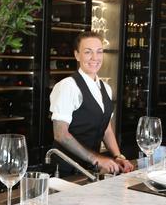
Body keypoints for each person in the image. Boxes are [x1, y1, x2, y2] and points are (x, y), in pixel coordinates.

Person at [49, 31, 134, 175]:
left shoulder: (105, 88)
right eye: (88, 52)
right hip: (66, 170)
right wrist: (97, 159)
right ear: (77, 55)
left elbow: (106, 128)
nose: (95, 58)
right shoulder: (67, 86)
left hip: (89, 170)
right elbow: (60, 135)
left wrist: (118, 156)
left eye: (99, 52)